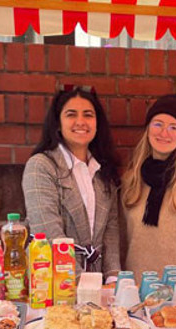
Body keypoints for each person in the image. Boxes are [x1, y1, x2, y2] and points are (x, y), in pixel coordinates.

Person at [22, 85, 121, 278]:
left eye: (88, 115)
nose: (81, 121)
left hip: (96, 284)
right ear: (58, 123)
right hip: (52, 281)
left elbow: (111, 231)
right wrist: (80, 283)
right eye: (71, 114)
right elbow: (49, 234)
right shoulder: (41, 166)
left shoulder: (104, 171)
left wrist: (113, 278)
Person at [120, 94, 176, 282]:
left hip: (175, 289)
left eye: (173, 127)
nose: (164, 133)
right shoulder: (130, 180)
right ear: (147, 129)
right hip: (132, 289)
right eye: (157, 124)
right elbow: (119, 238)